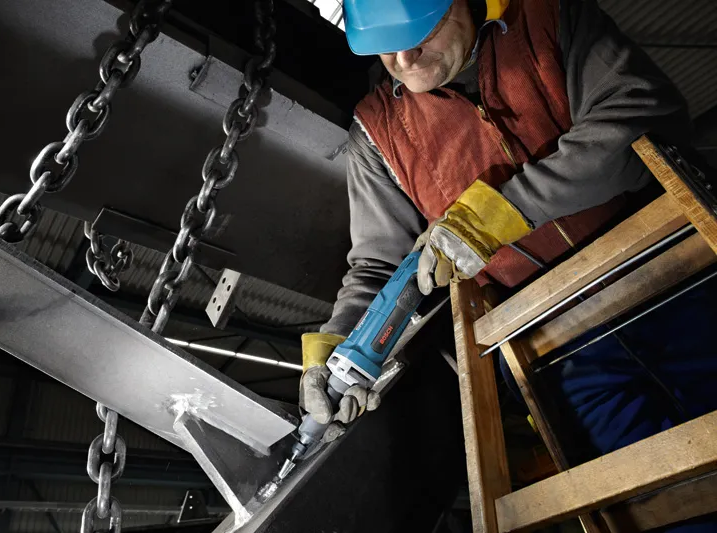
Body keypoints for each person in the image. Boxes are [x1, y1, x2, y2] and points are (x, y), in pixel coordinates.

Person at [300, 2, 717, 528]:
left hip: (680, 276)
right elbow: (377, 268)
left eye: (419, 35)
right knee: (659, 510)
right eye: (382, 46)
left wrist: (501, 213)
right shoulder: (376, 130)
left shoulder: (546, 20)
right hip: (558, 352)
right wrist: (336, 343)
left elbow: (639, 116)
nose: (403, 58)